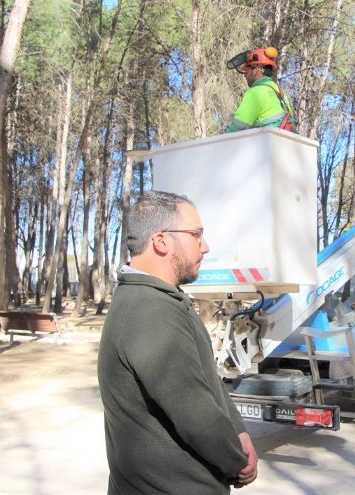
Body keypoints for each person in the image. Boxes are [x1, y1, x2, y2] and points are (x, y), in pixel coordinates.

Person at [98, 191, 258, 494]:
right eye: (196, 235)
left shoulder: (160, 300)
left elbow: (206, 380)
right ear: (161, 241)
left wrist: (239, 430)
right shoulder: (150, 310)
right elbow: (195, 412)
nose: (206, 246)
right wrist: (235, 460)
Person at [225, 46, 296, 133]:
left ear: (256, 69)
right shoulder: (280, 92)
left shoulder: (255, 92)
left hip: (268, 144)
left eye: (246, 71)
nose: (244, 75)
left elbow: (237, 128)